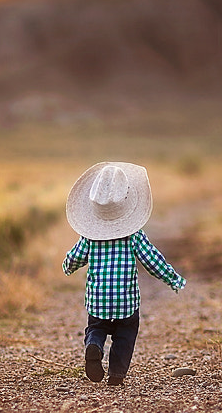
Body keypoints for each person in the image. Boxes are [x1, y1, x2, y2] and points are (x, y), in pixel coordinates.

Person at [62, 162, 186, 386]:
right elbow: (152, 260)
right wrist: (172, 279)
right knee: (126, 334)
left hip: (98, 299)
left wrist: (67, 266)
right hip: (125, 301)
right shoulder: (133, 235)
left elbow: (75, 257)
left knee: (96, 327)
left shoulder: (90, 236)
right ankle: (116, 375)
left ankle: (95, 345)